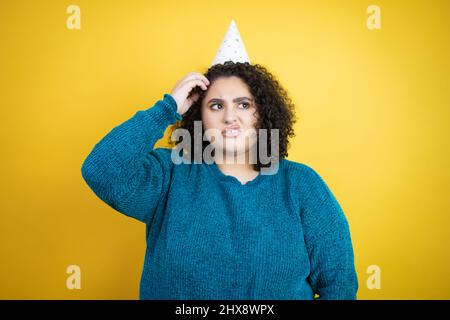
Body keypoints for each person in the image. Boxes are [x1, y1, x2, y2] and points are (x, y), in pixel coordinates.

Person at [81, 61, 358, 300]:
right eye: (215, 106)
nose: (230, 117)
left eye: (243, 104)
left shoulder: (302, 185)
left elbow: (340, 285)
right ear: (198, 116)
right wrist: (167, 108)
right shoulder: (170, 173)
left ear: (262, 114)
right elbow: (101, 170)